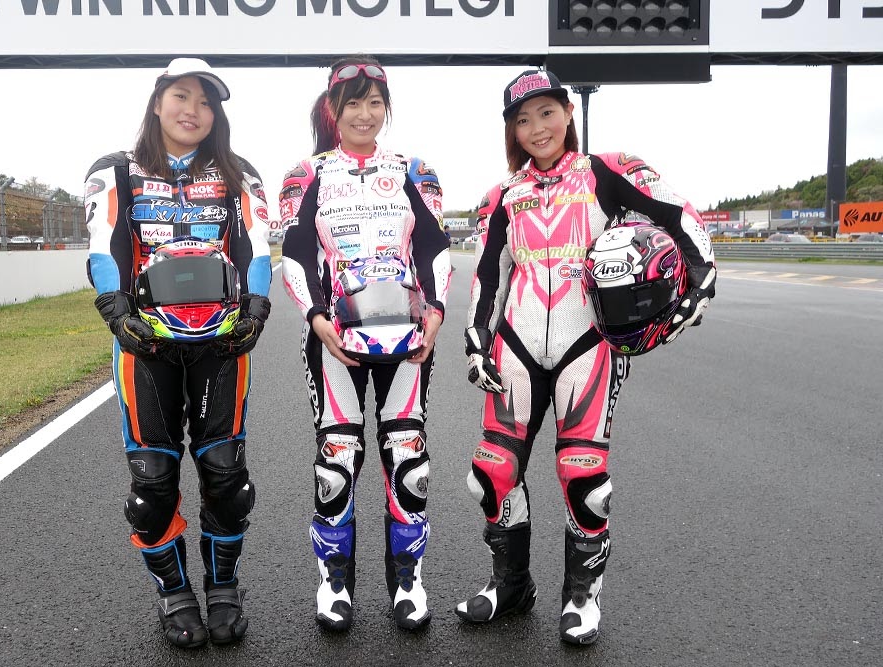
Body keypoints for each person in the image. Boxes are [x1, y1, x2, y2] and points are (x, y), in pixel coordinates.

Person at [454, 70, 715, 645]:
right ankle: (512, 585)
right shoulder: (502, 195)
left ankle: (582, 596)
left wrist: (701, 279)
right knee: (490, 474)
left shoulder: (607, 170)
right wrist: (476, 339)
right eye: (523, 120)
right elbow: (490, 274)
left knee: (583, 477)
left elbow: (678, 212)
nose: (536, 128)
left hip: (589, 343)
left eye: (546, 113)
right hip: (516, 344)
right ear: (512, 131)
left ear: (568, 113)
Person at [83, 57, 272, 649]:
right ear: (158, 101)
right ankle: (174, 593)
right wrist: (115, 310)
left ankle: (224, 588)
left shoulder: (239, 172)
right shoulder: (115, 169)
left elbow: (256, 249)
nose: (193, 110)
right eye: (182, 96)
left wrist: (256, 309)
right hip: (146, 342)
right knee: (152, 485)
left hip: (221, 341)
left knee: (227, 476)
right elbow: (104, 246)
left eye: (206, 102)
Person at [278, 55, 451, 632]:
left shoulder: (414, 169)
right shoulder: (306, 173)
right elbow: (295, 256)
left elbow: (434, 248)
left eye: (375, 102)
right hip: (335, 338)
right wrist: (315, 318)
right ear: (333, 109)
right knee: (336, 461)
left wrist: (436, 313)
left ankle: (408, 581)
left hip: (408, 337)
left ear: (387, 108)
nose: (364, 114)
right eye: (353, 102)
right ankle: (334, 583)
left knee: (408, 459)